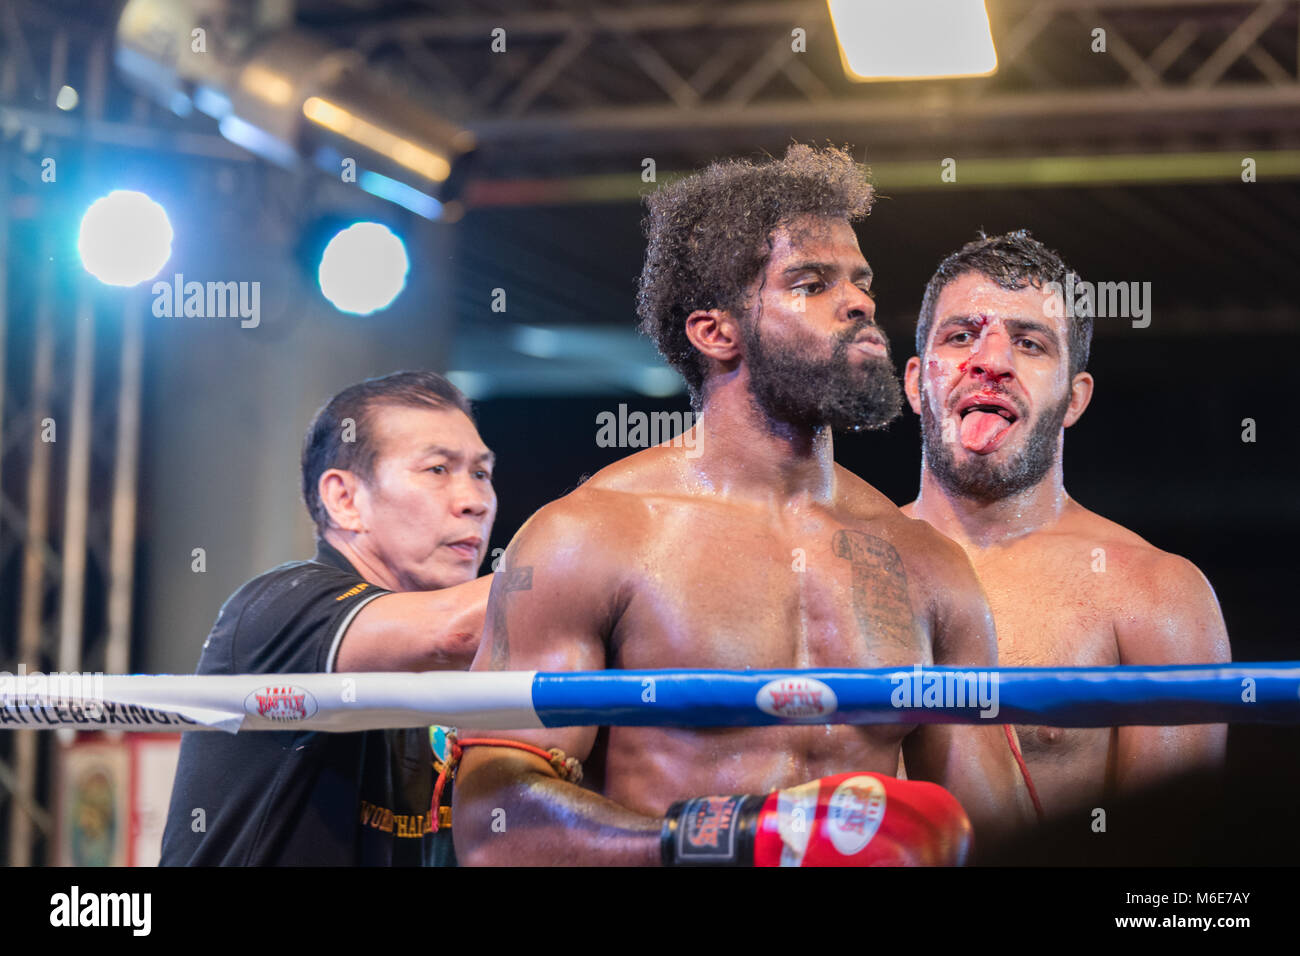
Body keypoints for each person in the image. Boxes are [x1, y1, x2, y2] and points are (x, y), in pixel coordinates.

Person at [452, 145, 1034, 867]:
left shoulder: (926, 565)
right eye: (812, 283)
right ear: (715, 331)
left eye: (861, 282)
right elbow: (492, 825)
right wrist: (737, 839)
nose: (858, 303)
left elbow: (1010, 840)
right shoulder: (591, 536)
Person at [901, 231, 1231, 821]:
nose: (992, 362)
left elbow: (1170, 856)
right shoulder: (840, 560)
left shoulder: (1152, 592)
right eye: (960, 336)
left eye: (1029, 343)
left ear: (1075, 399)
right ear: (914, 383)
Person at [160, 370, 497, 865]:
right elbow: (453, 630)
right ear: (345, 499)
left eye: (482, 473)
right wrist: (604, 553)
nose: (475, 501)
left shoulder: (465, 663)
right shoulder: (282, 605)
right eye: (438, 470)